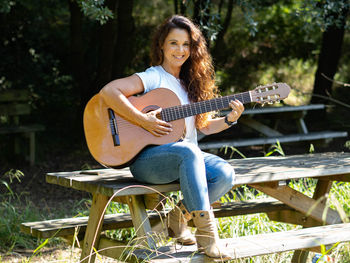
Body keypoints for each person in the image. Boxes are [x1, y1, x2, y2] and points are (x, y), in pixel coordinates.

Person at [100, 15, 244, 260]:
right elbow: (108, 92)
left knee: (225, 173)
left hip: (187, 158)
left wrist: (231, 118)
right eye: (173, 43)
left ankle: (178, 217)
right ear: (162, 46)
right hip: (147, 160)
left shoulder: (193, 84)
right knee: (189, 151)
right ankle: (208, 239)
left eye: (186, 44)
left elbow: (205, 127)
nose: (180, 50)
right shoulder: (154, 77)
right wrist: (141, 119)